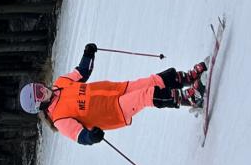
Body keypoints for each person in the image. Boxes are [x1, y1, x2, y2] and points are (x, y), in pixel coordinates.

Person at [18, 43, 207, 145]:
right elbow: (79, 136)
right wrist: (91, 137)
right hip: (113, 111)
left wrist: (88, 54)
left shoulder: (60, 83)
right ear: (38, 105)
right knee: (145, 95)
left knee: (153, 81)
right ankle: (190, 98)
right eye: (39, 95)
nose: (43, 90)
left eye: (38, 87)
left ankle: (188, 78)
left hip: (116, 90)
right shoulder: (59, 119)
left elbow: (82, 72)